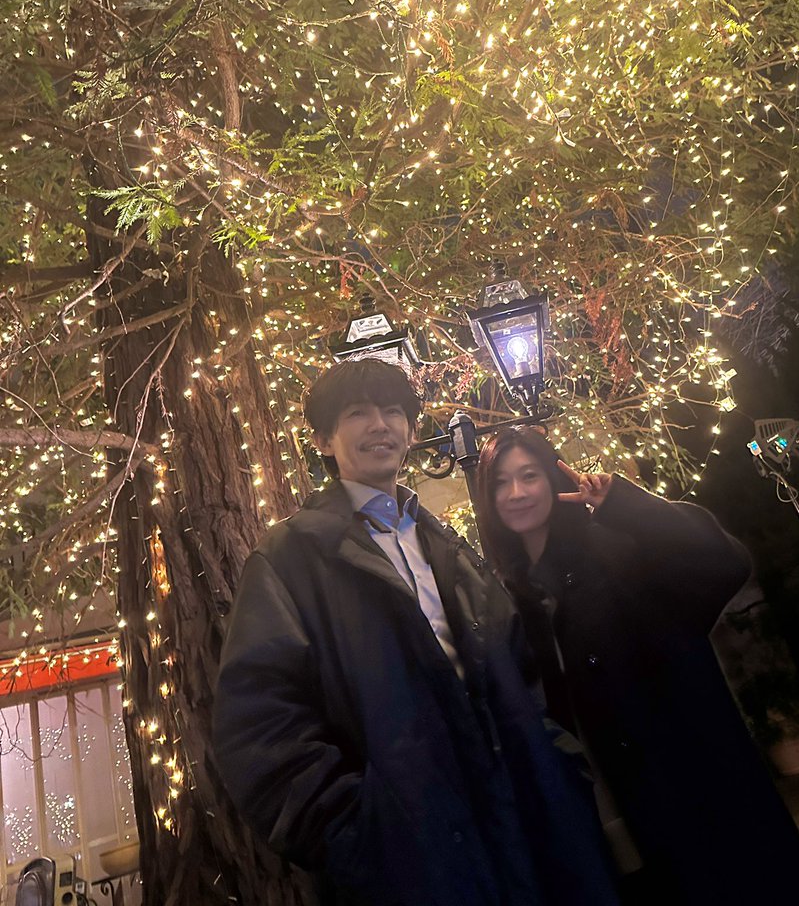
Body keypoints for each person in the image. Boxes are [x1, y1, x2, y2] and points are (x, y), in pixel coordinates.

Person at [212, 359, 623, 906]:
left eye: (393, 411)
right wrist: (359, 832)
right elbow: (257, 724)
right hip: (416, 861)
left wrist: (559, 766)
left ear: (409, 431)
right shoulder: (290, 559)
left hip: (527, 829)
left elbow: (520, 671)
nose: (380, 424)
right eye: (358, 413)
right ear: (323, 440)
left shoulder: (447, 545)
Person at [475, 425, 799, 906]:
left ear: (553, 478)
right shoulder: (509, 598)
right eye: (500, 482)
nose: (516, 493)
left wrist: (626, 504)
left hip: (699, 783)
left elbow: (725, 562)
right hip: (612, 811)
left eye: (529, 475)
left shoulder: (613, 546)